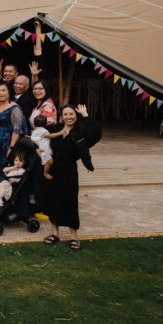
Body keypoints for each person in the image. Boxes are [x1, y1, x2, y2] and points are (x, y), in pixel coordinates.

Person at [44, 104, 100, 250]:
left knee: (70, 202)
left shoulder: (81, 131)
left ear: (76, 115)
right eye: (66, 114)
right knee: (53, 201)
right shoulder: (55, 129)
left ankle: (74, 237)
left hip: (69, 170)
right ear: (61, 116)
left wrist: (86, 115)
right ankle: (54, 234)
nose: (69, 117)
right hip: (53, 170)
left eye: (71, 114)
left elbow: (96, 134)